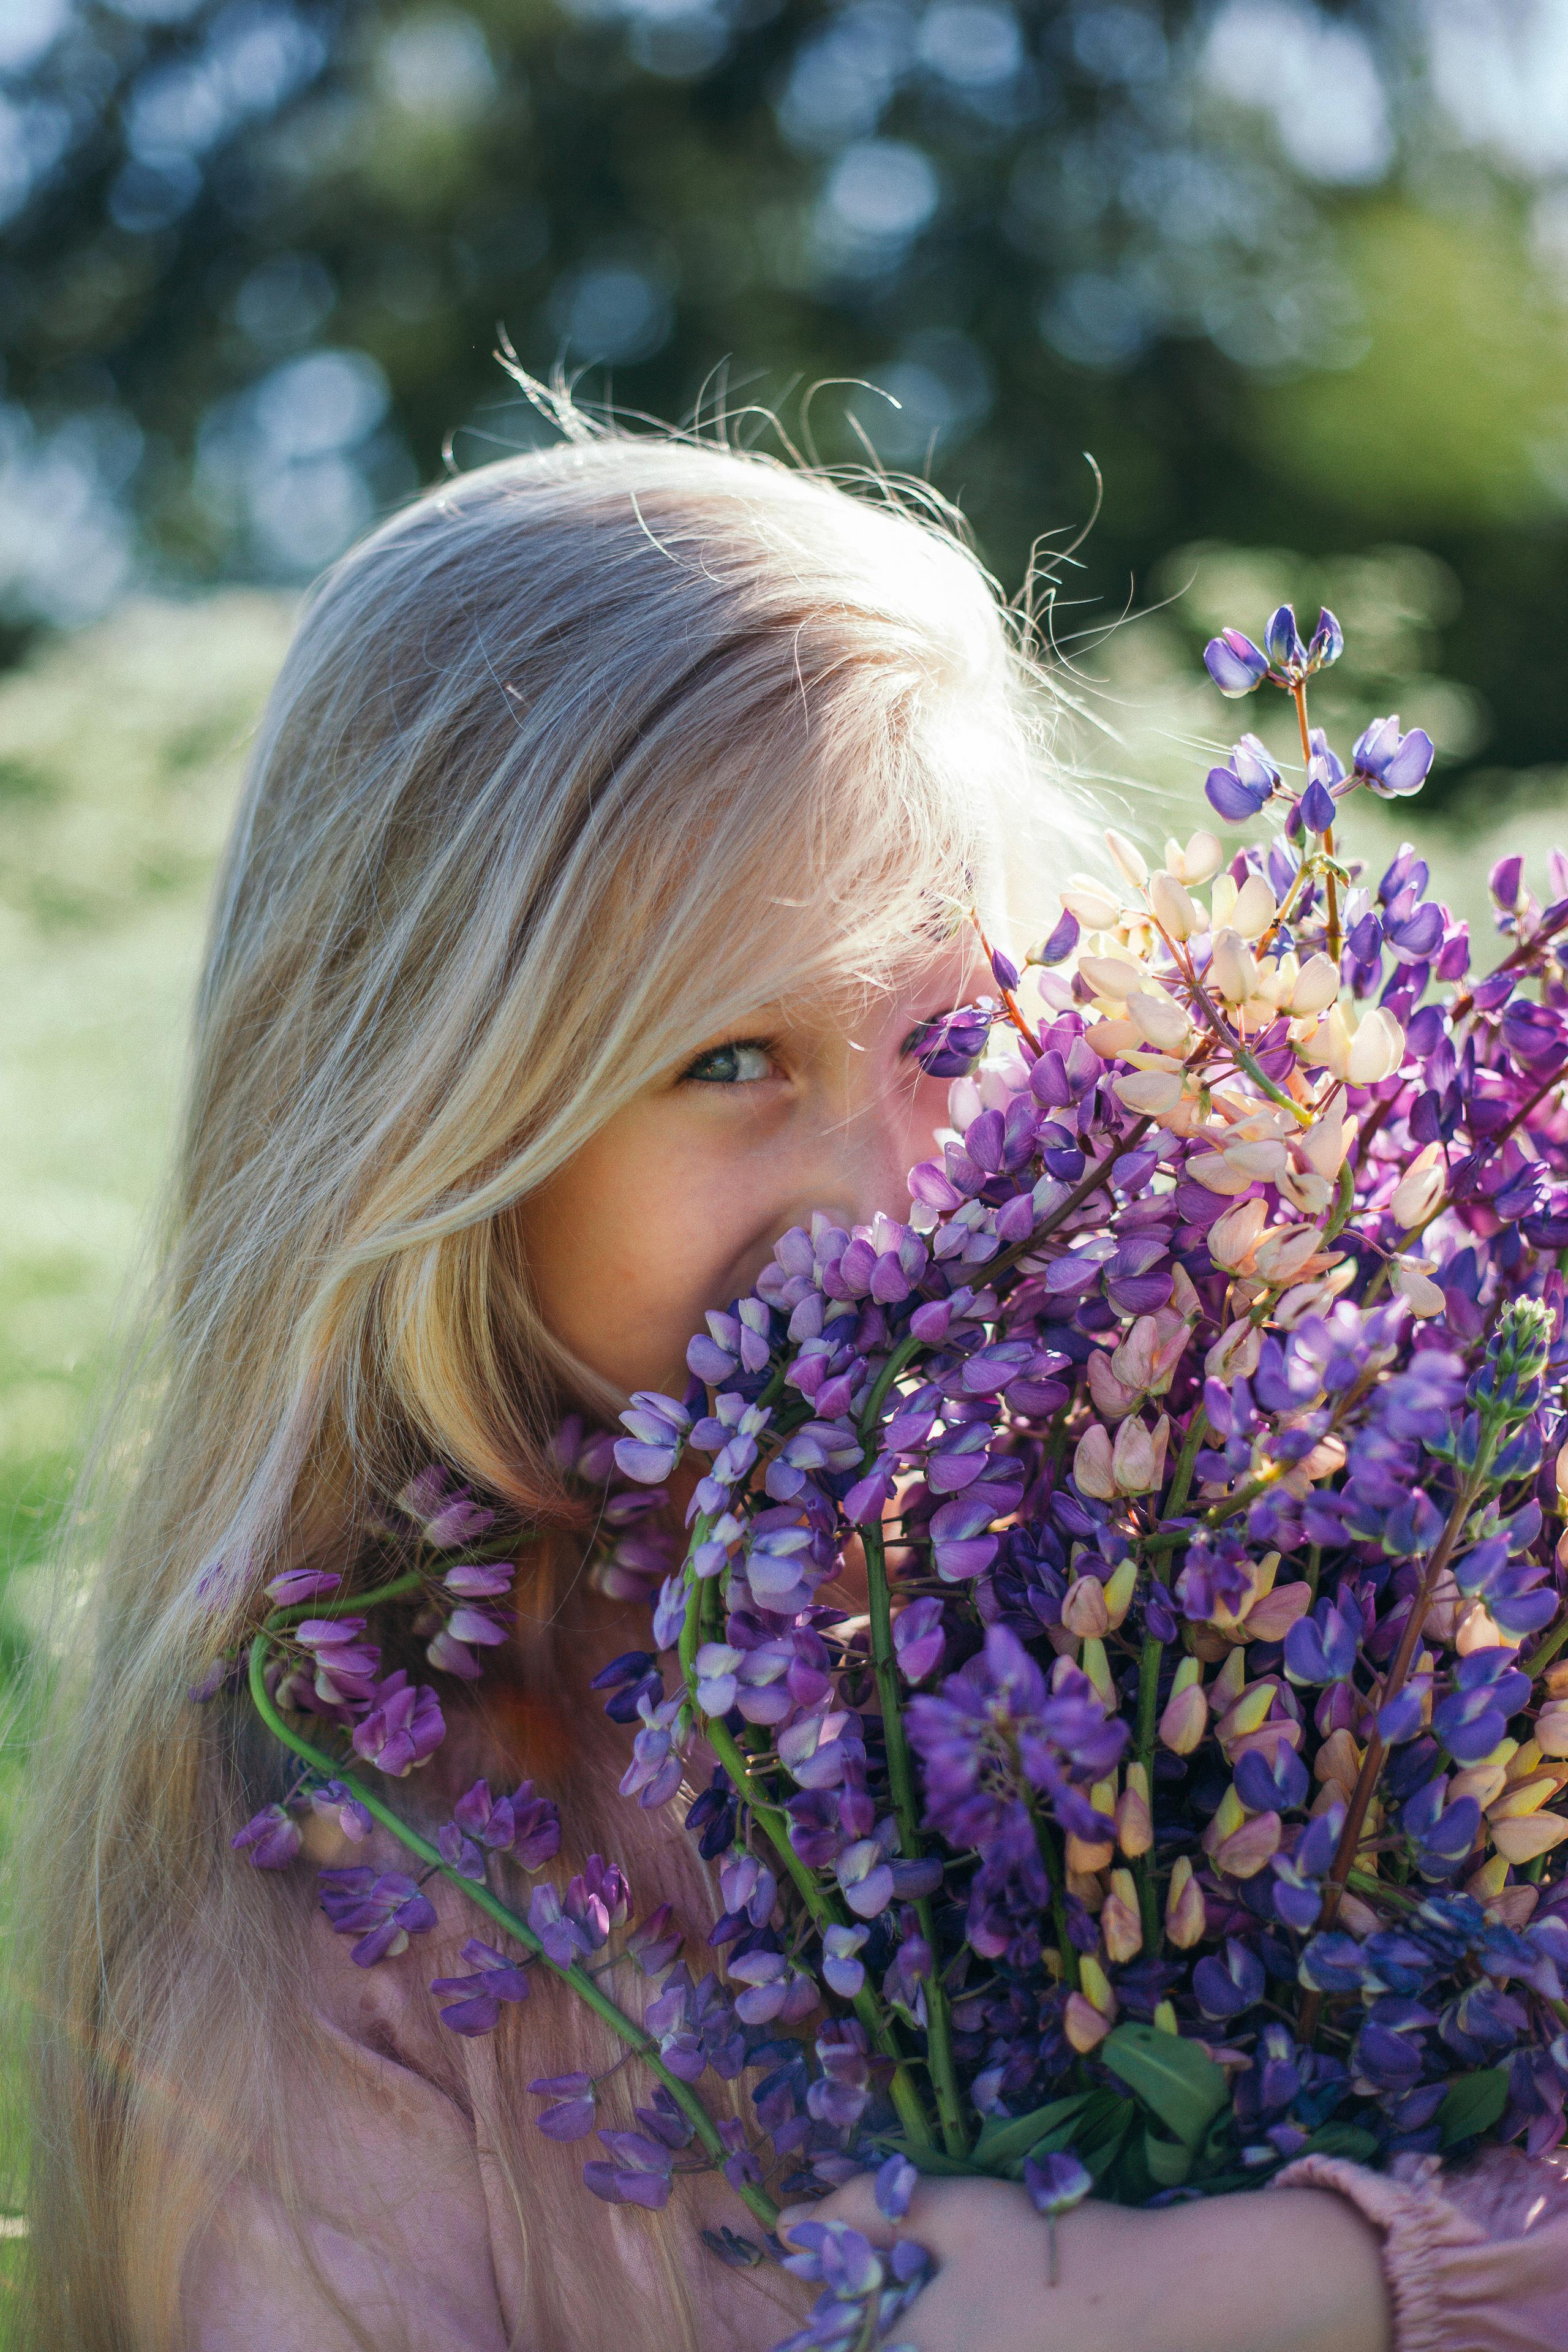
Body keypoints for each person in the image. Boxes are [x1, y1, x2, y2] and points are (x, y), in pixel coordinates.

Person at [20, 418, 1568, 2351]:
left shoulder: (1238, 1586)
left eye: (946, 1034)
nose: (883, 1198)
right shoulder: (333, 1932)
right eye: (731, 1060)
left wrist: (1266, 2285)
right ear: (429, 1127)